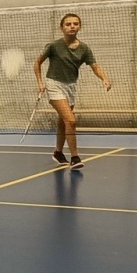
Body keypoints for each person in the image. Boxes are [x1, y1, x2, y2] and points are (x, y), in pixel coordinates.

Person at [35, 12, 111, 169]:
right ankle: (75, 157)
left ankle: (58, 153)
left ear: (79, 27)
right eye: (68, 24)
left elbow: (95, 66)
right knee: (71, 121)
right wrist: (40, 83)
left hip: (70, 86)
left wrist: (104, 79)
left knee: (63, 122)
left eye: (75, 24)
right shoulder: (53, 46)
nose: (72, 26)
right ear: (62, 27)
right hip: (54, 84)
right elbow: (37, 63)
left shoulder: (84, 48)